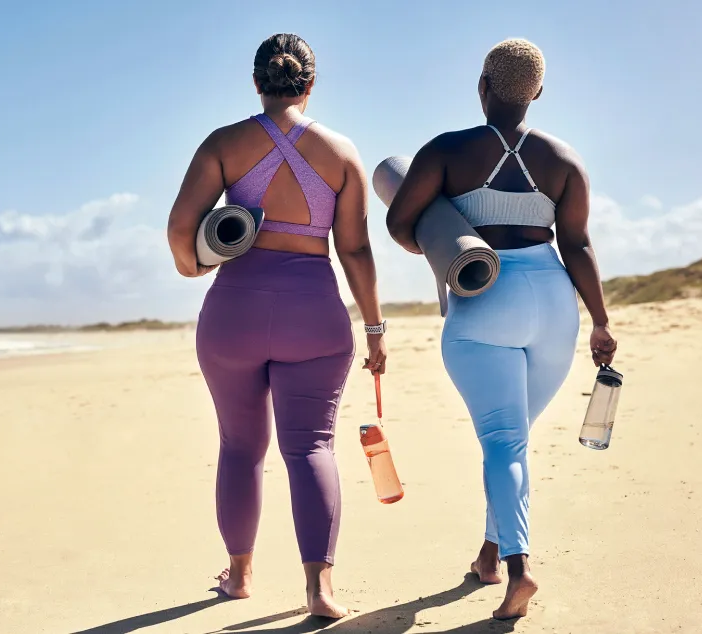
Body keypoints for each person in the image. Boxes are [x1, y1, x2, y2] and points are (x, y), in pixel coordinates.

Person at [385, 38, 617, 620]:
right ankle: (489, 556)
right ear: (537, 92)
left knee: (503, 442)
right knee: (511, 440)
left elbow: (398, 221)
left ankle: (519, 570)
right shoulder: (565, 161)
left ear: (482, 85)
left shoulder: (445, 151)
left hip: (486, 300)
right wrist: (601, 322)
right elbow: (579, 244)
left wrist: (444, 243)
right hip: (555, 304)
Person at [166, 33, 387, 620]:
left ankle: (238, 576)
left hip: (233, 314)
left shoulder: (223, 144)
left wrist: (196, 264)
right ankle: (319, 590)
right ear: (310, 85)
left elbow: (179, 235)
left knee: (240, 446)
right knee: (310, 445)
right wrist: (374, 328)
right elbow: (356, 251)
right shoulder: (342, 153)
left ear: (257, 82)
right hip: (313, 314)